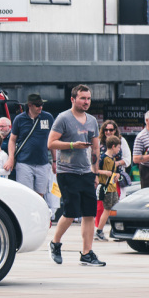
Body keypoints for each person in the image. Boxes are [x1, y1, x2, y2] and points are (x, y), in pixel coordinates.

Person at [48, 84, 103, 266]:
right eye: (82, 98)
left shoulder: (92, 121)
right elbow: (51, 143)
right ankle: (55, 243)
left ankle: (87, 254)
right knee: (71, 212)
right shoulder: (63, 118)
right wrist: (72, 145)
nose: (86, 102)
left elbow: (95, 147)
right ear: (73, 99)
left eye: (88, 98)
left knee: (89, 213)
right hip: (67, 172)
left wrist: (95, 173)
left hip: (86, 172)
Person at [5, 93, 55, 205]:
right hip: (24, 162)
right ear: (30, 105)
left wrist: (55, 161)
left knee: (40, 194)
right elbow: (12, 140)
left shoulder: (48, 117)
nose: (40, 107)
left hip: (43, 162)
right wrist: (11, 158)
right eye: (38, 105)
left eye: (42, 105)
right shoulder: (19, 119)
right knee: (25, 194)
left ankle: (37, 218)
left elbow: (52, 141)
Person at [94, 133, 126, 241]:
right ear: (113, 146)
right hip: (106, 188)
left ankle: (115, 229)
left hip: (113, 188)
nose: (119, 149)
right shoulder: (103, 158)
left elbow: (115, 172)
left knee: (114, 209)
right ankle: (99, 230)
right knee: (107, 209)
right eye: (118, 147)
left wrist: (116, 175)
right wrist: (104, 172)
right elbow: (95, 169)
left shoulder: (113, 159)